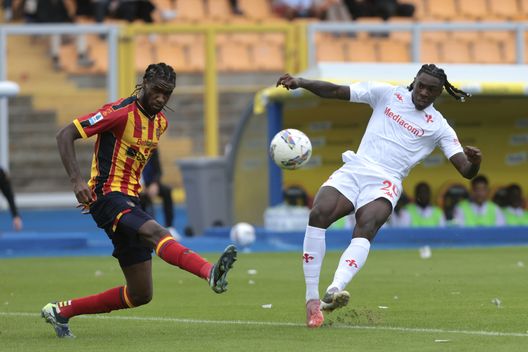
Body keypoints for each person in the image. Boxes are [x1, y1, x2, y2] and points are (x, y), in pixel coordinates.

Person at [276, 63, 482, 328]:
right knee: (318, 214)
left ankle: (335, 288)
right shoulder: (386, 94)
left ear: (439, 93)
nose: (424, 93)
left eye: (431, 90)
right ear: (414, 82)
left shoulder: (439, 127)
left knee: (367, 224)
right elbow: (338, 90)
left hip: (386, 181)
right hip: (356, 168)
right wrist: (302, 82)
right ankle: (312, 300)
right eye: (421, 85)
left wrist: (475, 162)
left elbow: (465, 170)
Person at [42, 63, 237, 338]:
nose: (161, 98)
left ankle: (61, 311)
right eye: (157, 90)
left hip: (130, 200)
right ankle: (210, 272)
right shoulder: (119, 113)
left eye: (167, 94)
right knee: (158, 232)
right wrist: (77, 182)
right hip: (108, 196)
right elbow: (66, 134)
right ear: (144, 83)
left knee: (140, 293)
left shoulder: (160, 123)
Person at [139, 149, 180, 239]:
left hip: (151, 183)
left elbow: (159, 171)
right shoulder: (133, 148)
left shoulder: (153, 149)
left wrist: (155, 183)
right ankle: (144, 229)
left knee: (167, 191)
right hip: (136, 184)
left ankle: (170, 227)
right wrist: (140, 185)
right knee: (141, 199)